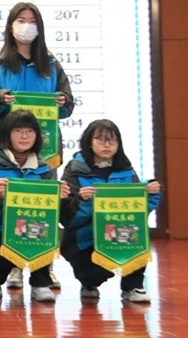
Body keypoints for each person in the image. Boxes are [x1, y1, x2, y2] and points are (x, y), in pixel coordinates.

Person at [0, 1, 74, 290]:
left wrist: (63, 102)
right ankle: (13, 267)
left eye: (32, 21)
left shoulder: (51, 65)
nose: (26, 26)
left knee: (42, 209)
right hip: (7, 152)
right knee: (9, 208)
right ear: (10, 26)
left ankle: (44, 267)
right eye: (21, 20)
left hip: (45, 151)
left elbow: (68, 105)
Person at [60, 120, 162, 303]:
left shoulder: (126, 170)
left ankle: (133, 286)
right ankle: (88, 283)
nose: (107, 145)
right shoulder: (75, 170)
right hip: (85, 239)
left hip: (120, 234)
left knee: (137, 235)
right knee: (93, 275)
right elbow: (67, 219)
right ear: (89, 142)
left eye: (112, 140)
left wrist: (151, 193)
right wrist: (83, 201)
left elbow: (138, 212)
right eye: (100, 139)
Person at [0, 110, 70, 303]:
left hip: (33, 227)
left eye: (29, 131)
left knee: (43, 231)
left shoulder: (44, 167)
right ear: (6, 134)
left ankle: (40, 283)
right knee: (3, 245)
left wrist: (61, 198)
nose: (24, 136)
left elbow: (51, 213)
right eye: (18, 131)